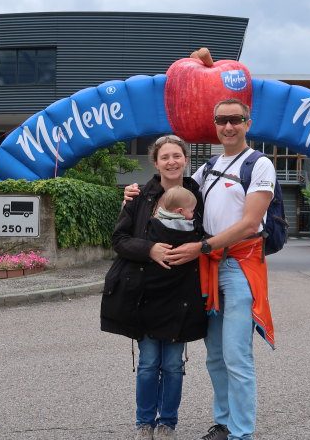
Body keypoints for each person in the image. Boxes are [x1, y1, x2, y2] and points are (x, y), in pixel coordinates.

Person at [124, 99, 276, 440]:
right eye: (221, 120)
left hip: (238, 264)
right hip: (206, 268)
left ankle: (241, 433)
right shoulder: (206, 170)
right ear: (215, 125)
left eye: (235, 119)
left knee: (237, 355)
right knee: (216, 356)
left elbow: (251, 223)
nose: (228, 126)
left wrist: (204, 246)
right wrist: (132, 193)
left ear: (247, 123)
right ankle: (223, 423)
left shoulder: (259, 164)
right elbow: (170, 195)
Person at [100, 135, 208, 440]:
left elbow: (208, 235)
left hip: (182, 292)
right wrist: (150, 249)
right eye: (165, 157)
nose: (171, 162)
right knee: (148, 364)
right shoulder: (139, 196)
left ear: (185, 159)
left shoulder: (198, 194)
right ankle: (144, 423)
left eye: (177, 156)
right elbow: (119, 240)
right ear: (155, 162)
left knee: (173, 364)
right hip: (146, 292)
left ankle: (167, 423)